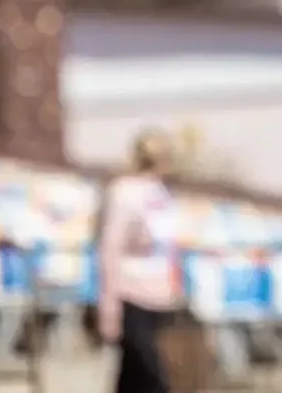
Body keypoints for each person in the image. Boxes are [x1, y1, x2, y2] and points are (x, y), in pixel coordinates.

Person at [97, 130, 182, 393]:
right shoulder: (124, 192)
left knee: (133, 378)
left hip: (160, 297)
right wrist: (108, 304)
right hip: (131, 295)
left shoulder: (162, 193)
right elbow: (111, 247)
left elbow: (169, 247)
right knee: (153, 376)